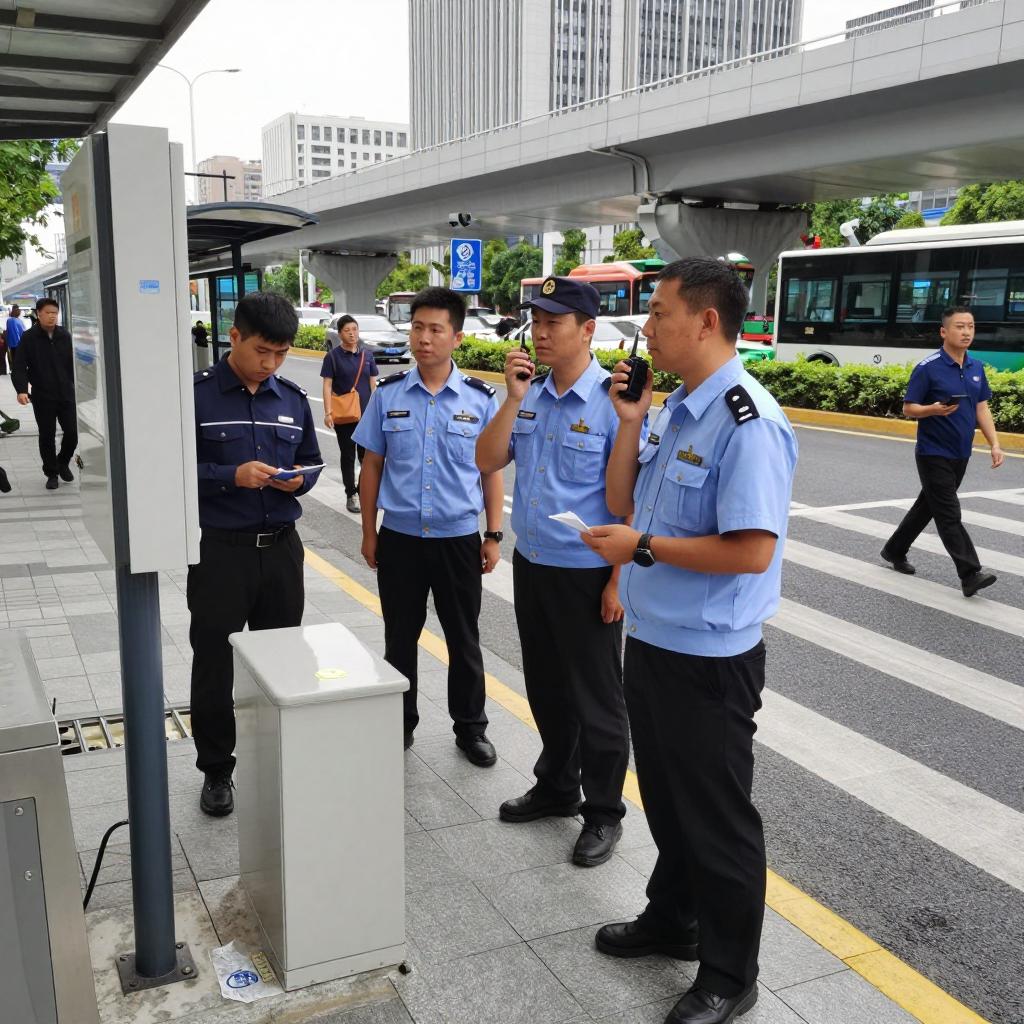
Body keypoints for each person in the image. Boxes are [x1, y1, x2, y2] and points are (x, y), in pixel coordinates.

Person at [583, 258, 797, 1024]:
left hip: (710, 660)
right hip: (656, 641)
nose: (647, 329)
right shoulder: (678, 409)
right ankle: (673, 918)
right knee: (669, 802)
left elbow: (751, 551)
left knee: (717, 817)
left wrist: (642, 549)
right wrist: (632, 422)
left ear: (707, 321)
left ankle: (731, 972)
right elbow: (621, 500)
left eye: (660, 312)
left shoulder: (749, 422)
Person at [476, 276, 632, 868]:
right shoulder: (528, 394)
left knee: (598, 699)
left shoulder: (614, 403)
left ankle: (603, 812)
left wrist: (619, 580)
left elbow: (633, 500)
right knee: (545, 686)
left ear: (587, 329)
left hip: (588, 573)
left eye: (554, 323)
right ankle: (558, 785)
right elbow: (486, 460)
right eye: (535, 322)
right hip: (534, 565)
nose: (539, 333)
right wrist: (512, 398)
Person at [354, 287, 503, 766]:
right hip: (399, 540)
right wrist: (369, 531)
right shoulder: (390, 394)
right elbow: (372, 465)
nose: (423, 338)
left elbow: (491, 470)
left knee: (464, 638)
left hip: (458, 538)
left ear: (457, 337)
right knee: (400, 636)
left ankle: (471, 728)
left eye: (436, 329)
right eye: (417, 327)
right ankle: (399, 723)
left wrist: (493, 534)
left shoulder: (480, 400)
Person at [189, 292, 322, 816]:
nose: (270, 364)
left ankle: (275, 758)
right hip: (220, 553)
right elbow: (173, 472)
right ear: (235, 337)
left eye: (282, 354)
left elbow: (311, 461)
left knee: (283, 660)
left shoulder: (289, 398)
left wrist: (299, 483)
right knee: (215, 663)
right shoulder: (196, 397)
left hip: (282, 552)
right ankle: (217, 770)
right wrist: (230, 477)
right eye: (263, 351)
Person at [881, 307, 1002, 597]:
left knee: (928, 506)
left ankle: (894, 550)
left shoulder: (976, 367)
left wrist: (994, 443)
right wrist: (932, 410)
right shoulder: (928, 367)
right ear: (944, 332)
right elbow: (908, 408)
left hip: (961, 452)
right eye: (959, 326)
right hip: (932, 452)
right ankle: (970, 573)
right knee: (948, 512)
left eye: (970, 326)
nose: (966, 332)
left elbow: (981, 408)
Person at [12, 298, 76, 490]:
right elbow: (19, 366)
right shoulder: (29, 337)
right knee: (46, 435)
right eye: (48, 313)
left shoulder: (65, 335)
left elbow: (74, 365)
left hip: (66, 393)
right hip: (43, 395)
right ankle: (52, 473)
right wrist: (22, 390)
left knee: (72, 433)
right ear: (38, 314)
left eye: (54, 313)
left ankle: (62, 461)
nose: (52, 316)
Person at [321, 314, 378, 513]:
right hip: (345, 416)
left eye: (354, 329)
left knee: (367, 457)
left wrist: (377, 410)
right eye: (347, 330)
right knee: (348, 455)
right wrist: (328, 412)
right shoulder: (332, 357)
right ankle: (350, 494)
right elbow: (327, 386)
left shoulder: (367, 355)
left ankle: (364, 491)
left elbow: (373, 384)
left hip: (366, 415)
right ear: (340, 334)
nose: (352, 334)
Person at [2, 302, 26, 375]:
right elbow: (21, 331)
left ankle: (15, 370)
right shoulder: (18, 320)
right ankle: (18, 370)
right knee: (18, 357)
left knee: (14, 357)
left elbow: (13, 332)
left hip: (14, 343)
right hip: (18, 343)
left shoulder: (11, 320)